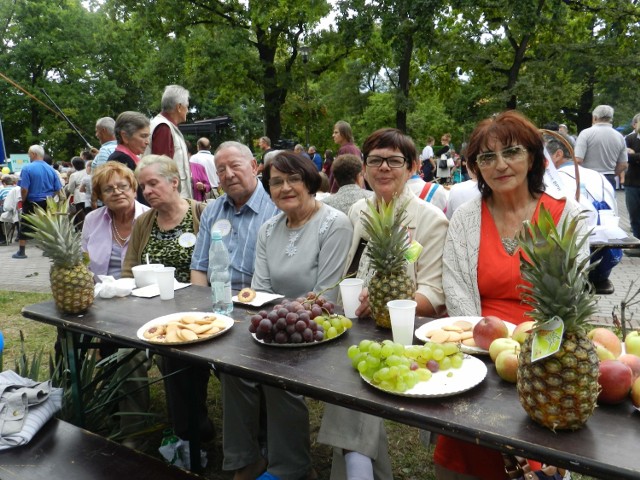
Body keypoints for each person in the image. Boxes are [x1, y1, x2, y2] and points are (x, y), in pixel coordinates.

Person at [439, 110, 588, 480]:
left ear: (534, 157)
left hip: (546, 357)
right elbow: (456, 292)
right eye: (486, 157)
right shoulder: (465, 218)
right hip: (478, 351)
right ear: (475, 167)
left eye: (512, 152)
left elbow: (570, 300)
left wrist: (526, 353)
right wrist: (486, 348)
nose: (500, 165)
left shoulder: (566, 214)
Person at [318, 128, 449, 480]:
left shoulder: (430, 220)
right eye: (375, 160)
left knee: (358, 372)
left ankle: (357, 470)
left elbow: (435, 297)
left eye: (394, 160)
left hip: (406, 332)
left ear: (413, 167)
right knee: (347, 362)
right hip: (356, 322)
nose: (384, 168)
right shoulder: (360, 210)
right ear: (364, 167)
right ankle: (363, 471)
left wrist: (385, 305)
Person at [223, 151, 352, 480]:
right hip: (278, 327)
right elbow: (260, 289)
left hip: (320, 331)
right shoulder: (268, 229)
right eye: (276, 182)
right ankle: (244, 460)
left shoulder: (333, 224)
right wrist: (275, 319)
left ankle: (292, 469)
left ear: (309, 181)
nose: (285, 187)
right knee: (233, 369)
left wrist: (281, 317)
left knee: (279, 377)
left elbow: (327, 295)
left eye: (293, 179)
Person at [190, 141, 279, 480]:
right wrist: (202, 310)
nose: (227, 174)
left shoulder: (275, 207)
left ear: (254, 165)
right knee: (172, 354)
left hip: (264, 306)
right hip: (217, 305)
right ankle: (191, 434)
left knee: (236, 366)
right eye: (221, 169)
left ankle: (245, 459)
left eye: (235, 166)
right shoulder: (213, 210)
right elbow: (199, 267)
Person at [121, 155, 211, 449]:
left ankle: (190, 429)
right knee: (142, 352)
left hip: (197, 312)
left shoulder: (202, 213)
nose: (146, 191)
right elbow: (129, 269)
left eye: (153, 183)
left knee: (176, 355)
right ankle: (175, 430)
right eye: (143, 186)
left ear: (174, 182)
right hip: (149, 311)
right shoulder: (144, 222)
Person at [81, 161, 151, 445]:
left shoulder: (149, 217)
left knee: (127, 355)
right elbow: (83, 265)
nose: (117, 192)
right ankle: (89, 410)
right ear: (99, 194)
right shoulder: (92, 220)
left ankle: (133, 432)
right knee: (66, 342)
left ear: (134, 187)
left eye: (123, 186)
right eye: (108, 188)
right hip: (99, 303)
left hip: (141, 305)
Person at [545, 132, 621, 294]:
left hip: (572, 259)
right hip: (607, 254)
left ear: (558, 155)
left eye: (544, 156)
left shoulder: (553, 179)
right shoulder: (598, 176)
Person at [13, 145, 64, 259]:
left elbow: (24, 188)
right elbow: (57, 189)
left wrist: (24, 199)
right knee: (48, 226)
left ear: (33, 154)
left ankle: (22, 252)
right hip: (48, 202)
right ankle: (48, 250)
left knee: (25, 226)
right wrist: (50, 197)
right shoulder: (51, 169)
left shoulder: (27, 168)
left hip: (32, 201)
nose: (28, 155)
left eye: (28, 153)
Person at [147, 85, 193, 198]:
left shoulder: (164, 125)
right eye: (187, 106)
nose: (188, 110)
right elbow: (162, 168)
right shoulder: (164, 127)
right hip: (170, 200)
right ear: (179, 107)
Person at [574, 104, 627, 191]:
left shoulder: (586, 133)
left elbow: (578, 160)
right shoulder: (619, 136)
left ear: (594, 118)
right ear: (611, 119)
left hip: (589, 177)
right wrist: (613, 173)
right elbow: (623, 164)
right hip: (609, 178)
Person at [624, 113, 640, 246]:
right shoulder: (629, 138)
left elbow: (631, 157)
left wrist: (634, 155)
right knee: (634, 214)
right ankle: (636, 243)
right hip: (632, 183)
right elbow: (625, 157)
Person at [65, 156, 89, 230]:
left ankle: (83, 232)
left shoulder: (74, 175)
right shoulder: (88, 172)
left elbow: (70, 189)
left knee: (81, 217)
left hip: (79, 198)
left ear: (74, 165)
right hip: (89, 196)